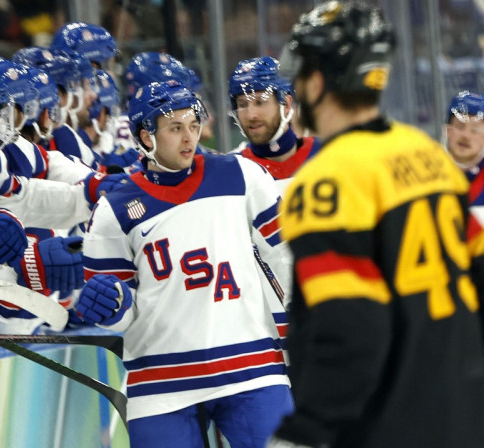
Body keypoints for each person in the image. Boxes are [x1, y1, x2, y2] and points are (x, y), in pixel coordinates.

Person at [270, 2, 484, 447]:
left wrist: (307, 430)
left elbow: (349, 329)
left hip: (386, 421)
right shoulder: (427, 156)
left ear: (318, 81)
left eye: (300, 75)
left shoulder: (325, 182)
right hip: (462, 412)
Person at [77, 79, 293, 448]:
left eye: (192, 126)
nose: (189, 138)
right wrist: (113, 305)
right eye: (175, 128)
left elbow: (285, 254)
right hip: (160, 382)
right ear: (146, 137)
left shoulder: (241, 175)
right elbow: (120, 314)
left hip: (251, 367)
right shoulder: (113, 211)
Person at [228, 56, 320, 194]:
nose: (251, 115)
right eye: (243, 105)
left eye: (260, 102)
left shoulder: (328, 153)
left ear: (287, 104)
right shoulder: (230, 171)